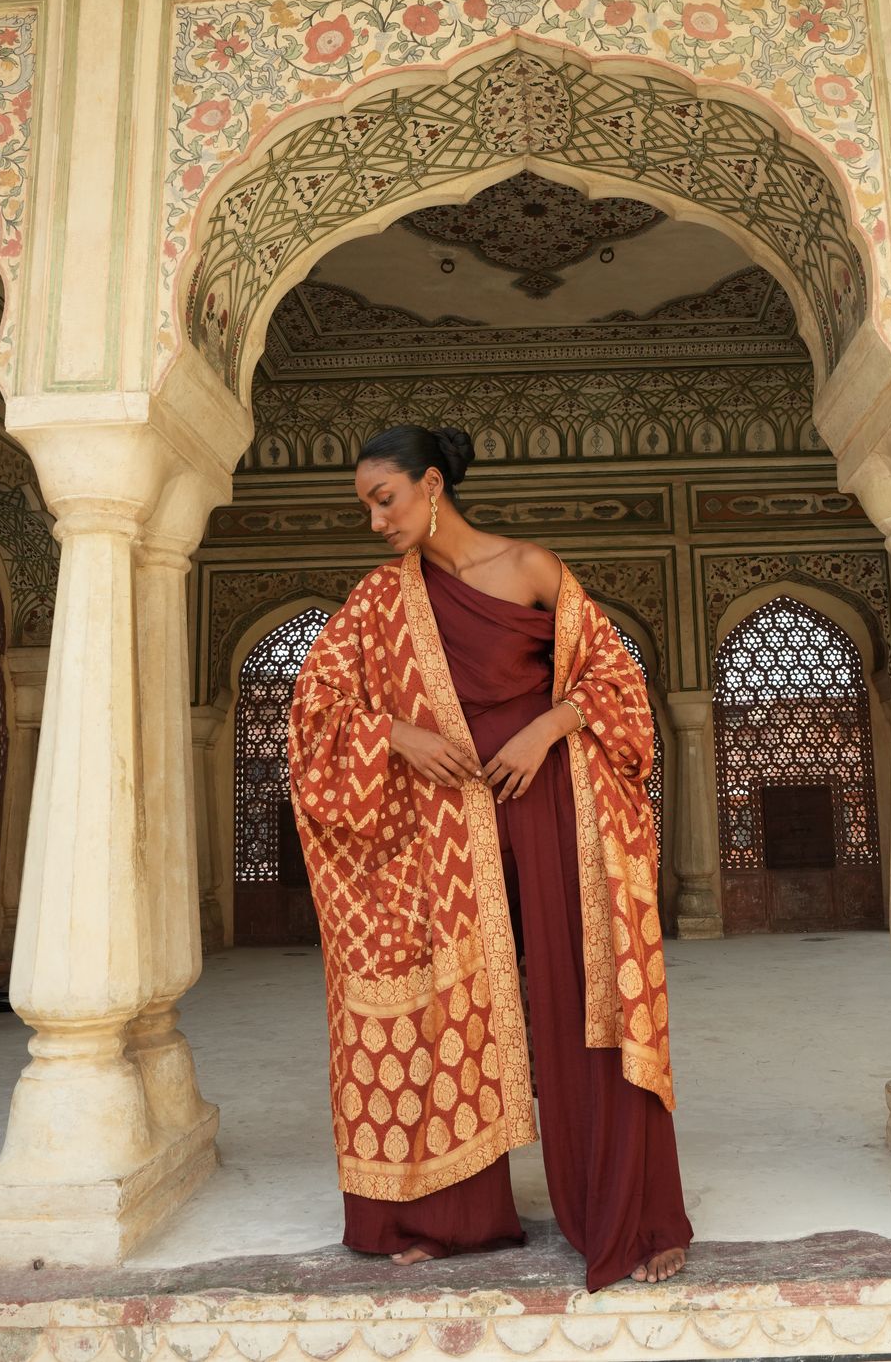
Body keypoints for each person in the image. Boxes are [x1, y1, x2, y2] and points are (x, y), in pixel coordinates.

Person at [288, 423, 692, 1291]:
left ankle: (634, 1212)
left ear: (432, 485)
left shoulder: (531, 568)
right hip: (438, 829)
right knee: (450, 999)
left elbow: (615, 682)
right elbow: (314, 712)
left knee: (585, 998)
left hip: (553, 808)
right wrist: (395, 733)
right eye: (366, 506)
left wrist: (547, 729)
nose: (374, 520)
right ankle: (453, 1214)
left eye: (383, 499)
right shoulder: (374, 603)